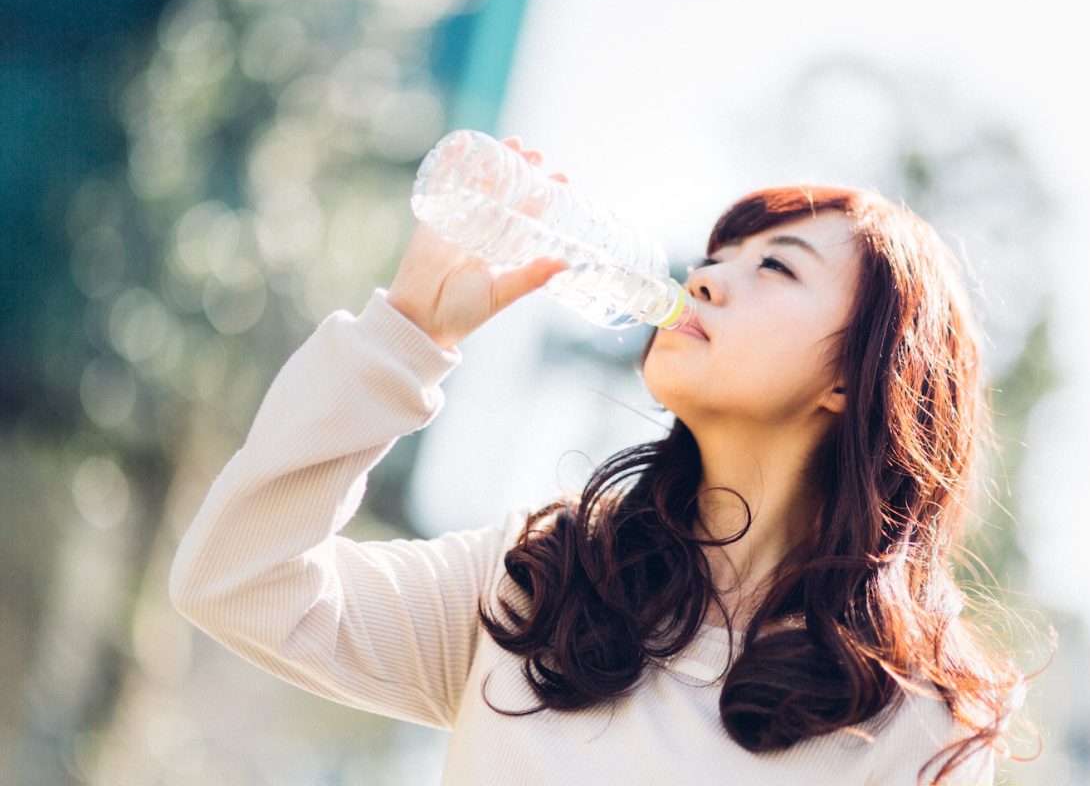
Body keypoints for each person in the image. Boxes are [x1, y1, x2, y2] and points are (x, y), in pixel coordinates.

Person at [170, 137, 1030, 785]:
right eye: (717, 254)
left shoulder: (906, 724)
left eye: (775, 266)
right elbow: (239, 581)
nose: (706, 278)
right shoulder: (545, 586)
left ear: (854, 375)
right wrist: (406, 336)